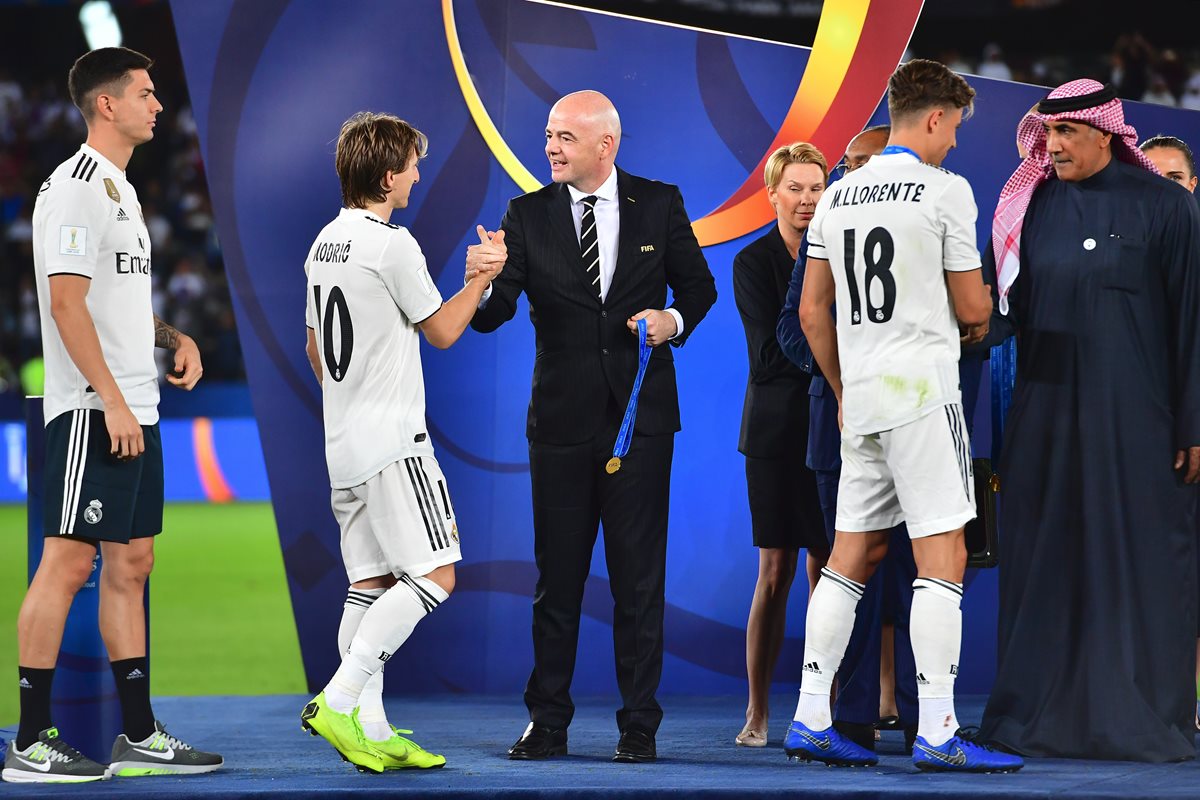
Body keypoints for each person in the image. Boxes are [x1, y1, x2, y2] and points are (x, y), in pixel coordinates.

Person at [467, 90, 717, 763]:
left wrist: (673, 323)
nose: (550, 147)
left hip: (640, 423)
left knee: (639, 582)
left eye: (564, 137)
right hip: (561, 425)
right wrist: (482, 284)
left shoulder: (659, 203)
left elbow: (698, 288)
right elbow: (496, 314)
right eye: (548, 135)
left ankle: (639, 725)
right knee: (559, 581)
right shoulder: (526, 216)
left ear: (605, 145)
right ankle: (547, 722)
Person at [787, 58, 1023, 773]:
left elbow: (810, 310)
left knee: (848, 559)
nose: (953, 142)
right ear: (934, 117)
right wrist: (971, 321)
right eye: (953, 128)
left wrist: (844, 386)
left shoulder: (839, 194)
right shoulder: (947, 190)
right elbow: (977, 307)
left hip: (861, 400)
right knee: (943, 559)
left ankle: (809, 717)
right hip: (923, 394)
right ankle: (939, 732)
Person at [5, 47, 222, 784]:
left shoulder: (120, 191)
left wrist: (174, 337)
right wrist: (114, 400)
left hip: (136, 403)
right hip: (95, 409)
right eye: (146, 93)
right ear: (107, 105)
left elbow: (113, 301)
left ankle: (137, 735)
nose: (158, 104)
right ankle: (31, 740)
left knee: (133, 563)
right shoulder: (73, 189)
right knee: (68, 562)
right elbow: (64, 304)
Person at [979, 80, 1200, 763]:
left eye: (1066, 134)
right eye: (1047, 135)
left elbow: (1193, 321)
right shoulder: (1030, 206)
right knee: (1048, 561)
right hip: (1044, 419)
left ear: (1103, 133)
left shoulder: (1167, 207)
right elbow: (1000, 319)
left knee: (1140, 563)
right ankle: (1038, 716)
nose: (1053, 146)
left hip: (1140, 420)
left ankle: (1141, 718)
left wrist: (1193, 424)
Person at [298, 112, 498, 773]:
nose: (418, 175)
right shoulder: (392, 245)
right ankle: (340, 696)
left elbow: (315, 352)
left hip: (342, 444)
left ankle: (373, 728)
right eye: (412, 165)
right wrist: (481, 278)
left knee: (369, 583)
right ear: (388, 176)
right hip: (393, 442)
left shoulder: (323, 242)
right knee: (436, 574)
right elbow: (441, 331)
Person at [776, 125, 922, 756]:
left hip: (916, 422)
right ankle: (850, 716)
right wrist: (846, 377)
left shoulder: (927, 226)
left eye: (873, 163)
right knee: (851, 571)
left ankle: (923, 719)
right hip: (840, 429)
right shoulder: (826, 231)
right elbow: (794, 326)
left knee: (921, 576)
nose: (860, 176)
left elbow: (975, 319)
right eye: (852, 165)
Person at [731, 142, 829, 748]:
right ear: (772, 194)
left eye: (816, 188)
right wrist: (834, 362)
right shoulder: (753, 262)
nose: (806, 200)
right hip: (772, 435)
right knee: (775, 571)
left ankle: (822, 709)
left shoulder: (839, 253)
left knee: (830, 572)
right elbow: (768, 358)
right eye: (794, 188)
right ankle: (758, 712)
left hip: (829, 429)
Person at [1140, 134, 1199, 730]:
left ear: (1193, 183)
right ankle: (1176, 702)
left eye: (1175, 177)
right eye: (1153, 177)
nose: (1166, 189)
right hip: (1166, 429)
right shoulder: (1140, 256)